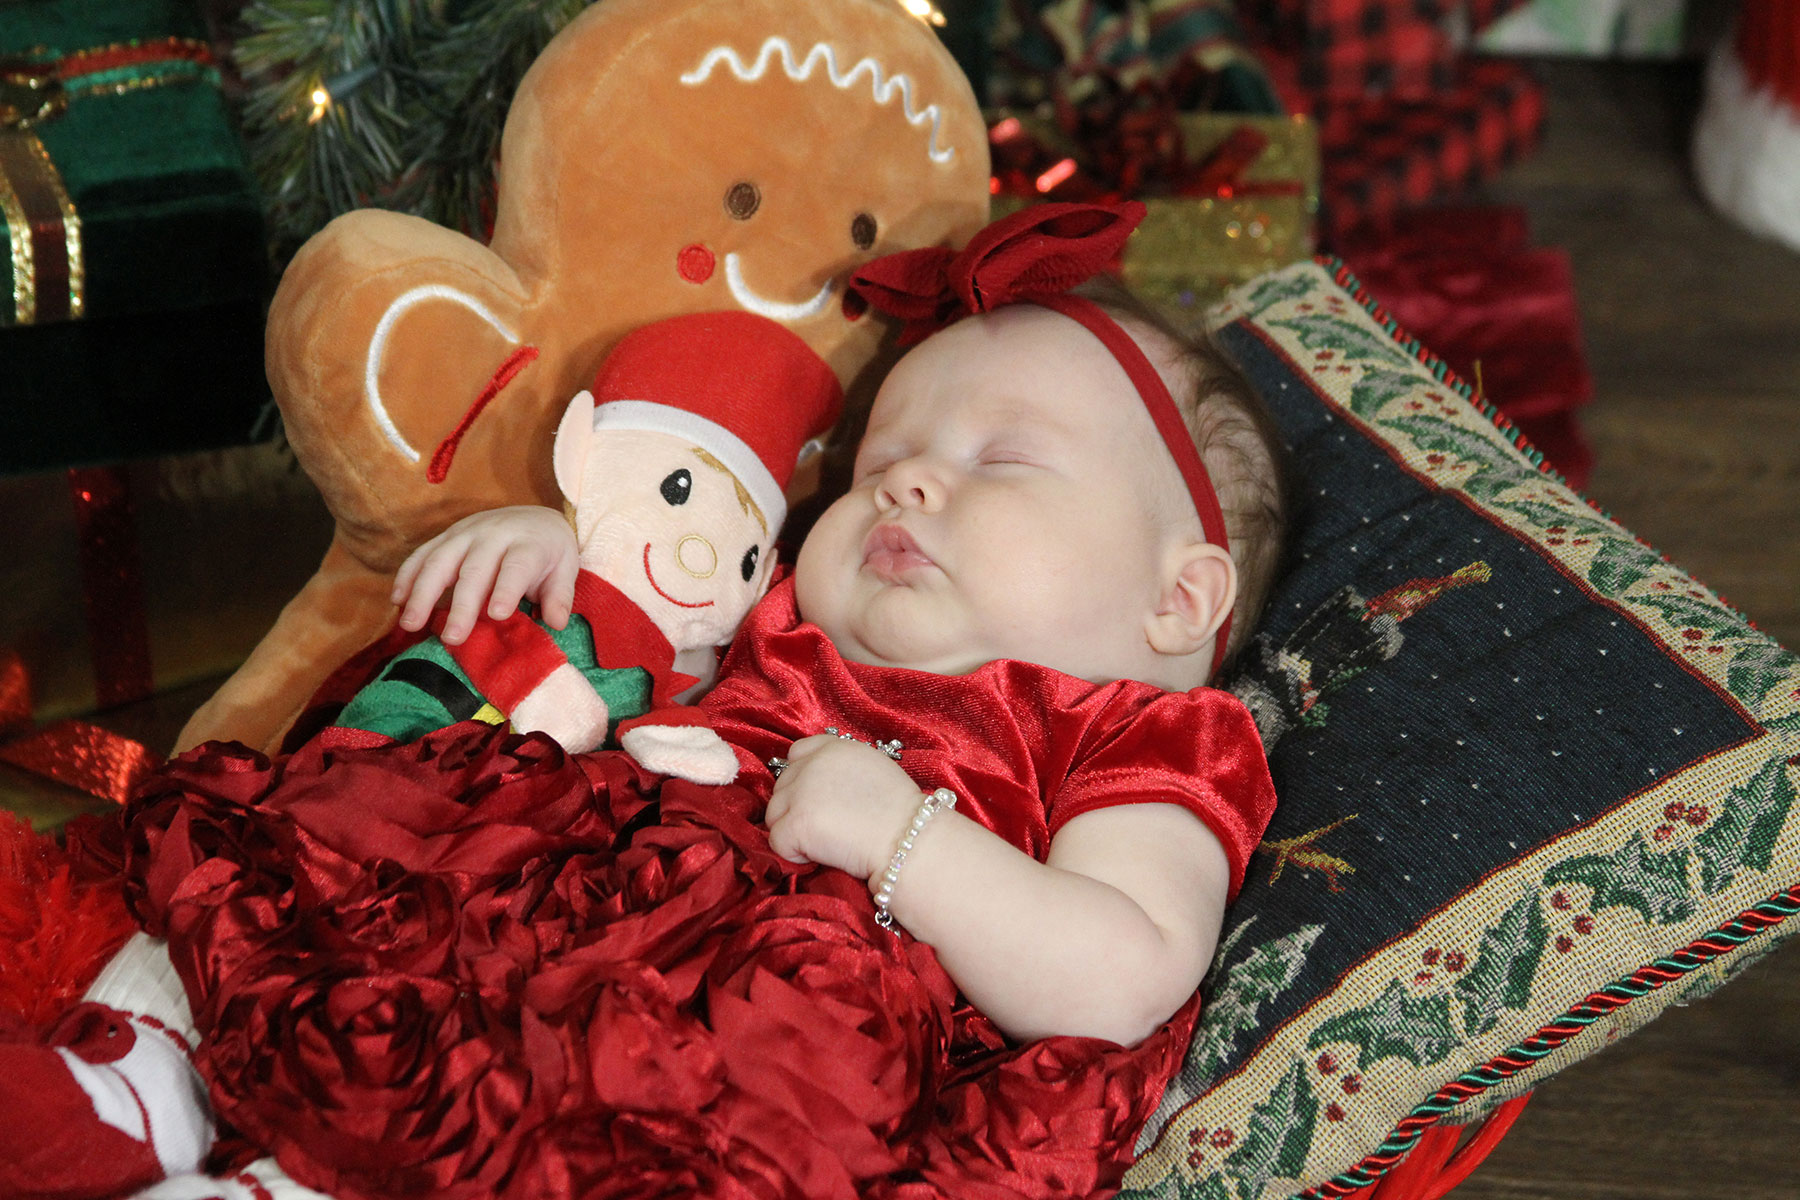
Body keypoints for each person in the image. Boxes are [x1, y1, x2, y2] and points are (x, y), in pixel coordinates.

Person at [7, 202, 1295, 1200]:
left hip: (753, 1027)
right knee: (329, 844)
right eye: (882, 460)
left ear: (1178, 602)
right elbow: (649, 607)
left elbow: (1124, 972)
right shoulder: (781, 615)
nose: (905, 485)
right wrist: (562, 549)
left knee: (537, 1113)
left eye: (1001, 460)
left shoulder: (1142, 733)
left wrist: (903, 840)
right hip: (540, 877)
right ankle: (136, 1064)